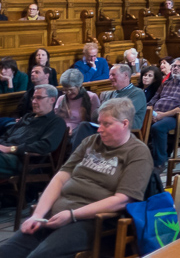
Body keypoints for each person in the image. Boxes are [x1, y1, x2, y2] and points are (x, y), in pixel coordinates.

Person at [0, 99, 152, 258]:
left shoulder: (138, 153)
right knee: (6, 252)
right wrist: (38, 214)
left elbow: (122, 200)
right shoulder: (91, 142)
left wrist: (72, 215)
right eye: (99, 123)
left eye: (106, 124)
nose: (100, 129)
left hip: (92, 221)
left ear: (124, 123)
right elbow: (60, 178)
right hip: (58, 213)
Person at [70, 65, 147, 148]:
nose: (110, 78)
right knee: (76, 131)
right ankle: (75, 157)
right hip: (106, 126)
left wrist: (105, 111)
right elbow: (95, 115)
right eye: (109, 75)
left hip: (125, 129)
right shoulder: (110, 94)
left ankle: (75, 159)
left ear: (125, 75)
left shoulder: (137, 93)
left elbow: (122, 113)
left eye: (113, 75)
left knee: (84, 128)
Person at [0, 84, 66, 178]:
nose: (34, 101)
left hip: (22, 160)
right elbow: (6, 135)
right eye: (33, 98)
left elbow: (45, 146)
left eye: (39, 98)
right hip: (5, 154)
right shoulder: (27, 117)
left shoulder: (56, 122)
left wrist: (11, 149)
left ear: (52, 100)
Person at [148, 57, 180, 172]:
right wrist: (150, 113)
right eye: (174, 66)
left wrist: (163, 115)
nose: (175, 68)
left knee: (158, 127)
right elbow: (153, 100)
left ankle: (159, 162)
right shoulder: (166, 83)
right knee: (139, 122)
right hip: (157, 114)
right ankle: (144, 158)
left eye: (179, 66)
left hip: (177, 118)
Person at [55, 70, 100, 136]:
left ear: (79, 86)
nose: (68, 92)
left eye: (71, 89)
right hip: (62, 132)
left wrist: (74, 131)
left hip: (83, 133)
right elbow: (56, 119)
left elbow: (95, 122)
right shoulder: (61, 98)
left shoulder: (92, 97)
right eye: (65, 90)